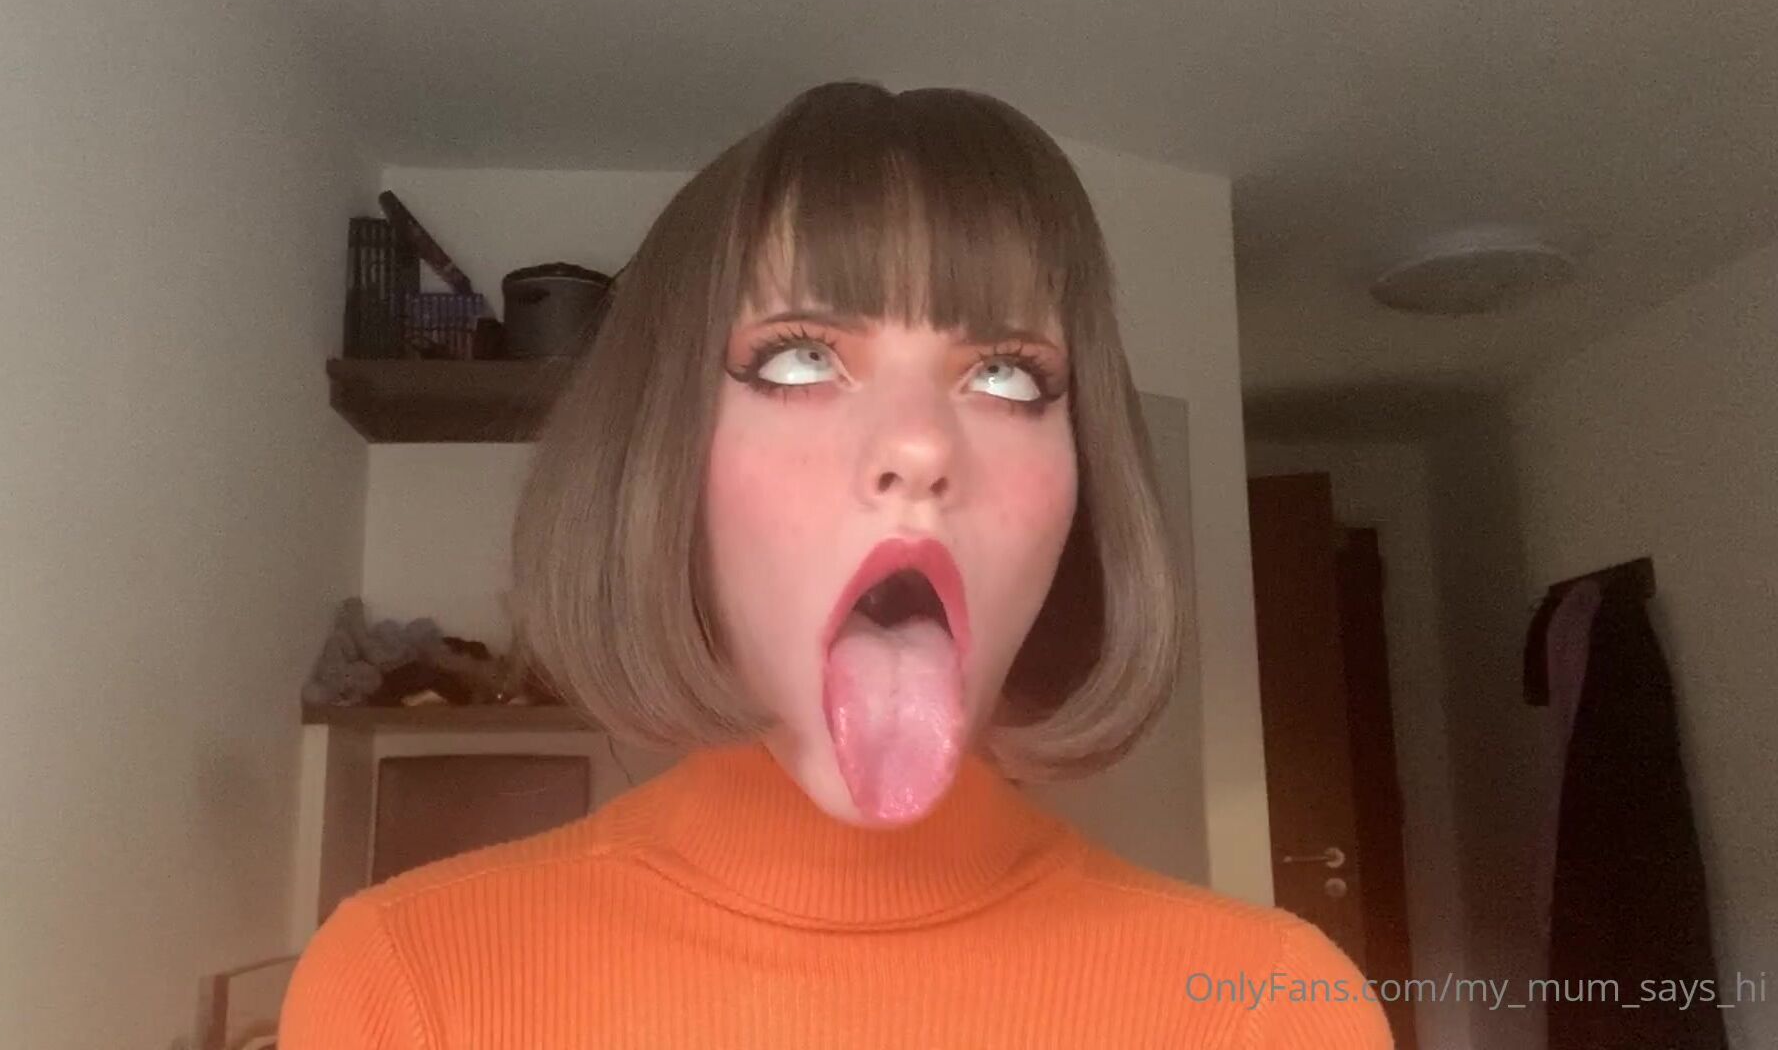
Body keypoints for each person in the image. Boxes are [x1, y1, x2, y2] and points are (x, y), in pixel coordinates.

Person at [279, 80, 1393, 1049]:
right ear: (661, 456)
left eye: (1007, 376)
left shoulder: (1274, 1013)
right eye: (800, 358)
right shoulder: (408, 987)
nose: (918, 445)